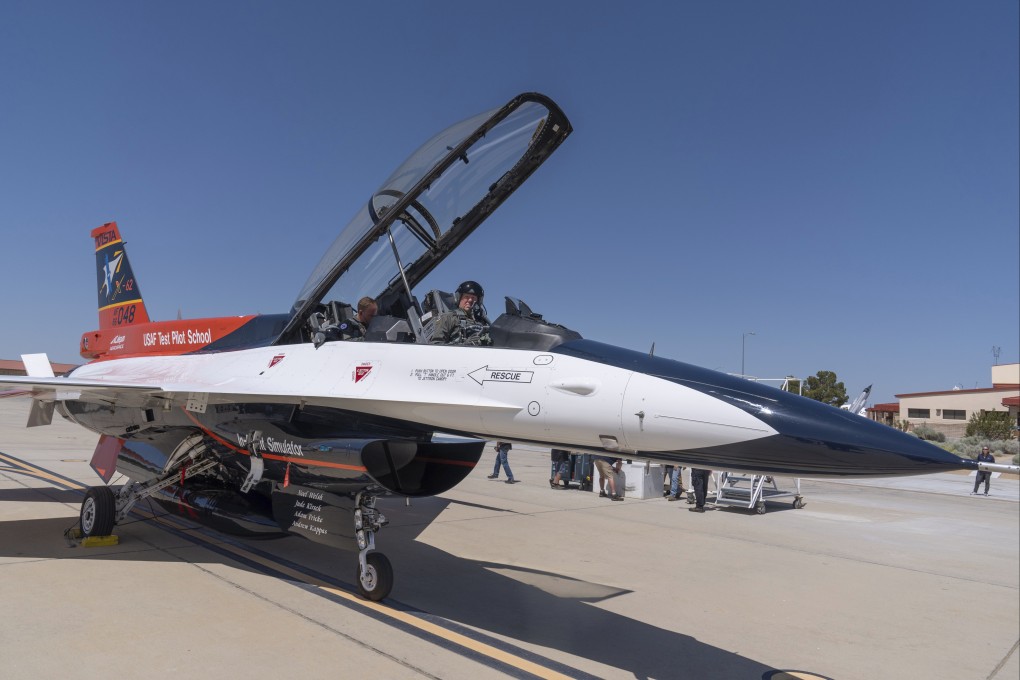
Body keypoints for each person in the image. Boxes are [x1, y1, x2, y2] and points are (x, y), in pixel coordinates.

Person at [430, 280, 491, 346]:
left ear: (479, 301)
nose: (470, 300)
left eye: (473, 298)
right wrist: (464, 345)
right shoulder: (449, 318)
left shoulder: (483, 322)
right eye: (466, 297)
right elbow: (435, 345)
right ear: (459, 298)